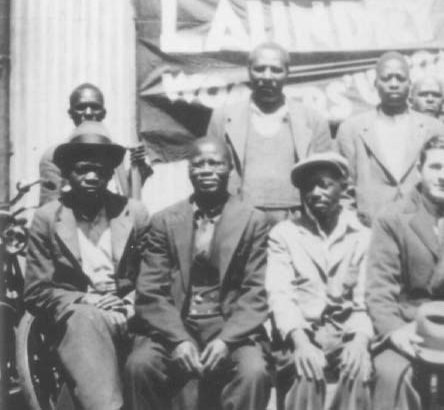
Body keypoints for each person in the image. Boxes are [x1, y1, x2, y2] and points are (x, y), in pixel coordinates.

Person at [124, 137, 272, 410]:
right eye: (198, 164)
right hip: (176, 323)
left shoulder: (253, 220)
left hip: (229, 326)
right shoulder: (164, 221)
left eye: (215, 163)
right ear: (189, 171)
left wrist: (227, 341)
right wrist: (178, 340)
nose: (206, 170)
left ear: (230, 169)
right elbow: (150, 291)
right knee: (140, 365)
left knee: (253, 372)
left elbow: (255, 292)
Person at [24, 121, 150, 410]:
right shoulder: (47, 218)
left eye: (101, 169)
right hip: (78, 317)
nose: (93, 176)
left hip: (130, 311)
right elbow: (36, 290)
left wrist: (130, 302)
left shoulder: (134, 213)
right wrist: (87, 300)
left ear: (109, 172)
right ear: (68, 173)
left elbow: (154, 274)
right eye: (83, 169)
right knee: (85, 320)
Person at [365, 135, 444, 409]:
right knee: (394, 374)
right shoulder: (393, 218)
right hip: (406, 326)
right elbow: (379, 288)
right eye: (435, 167)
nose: (443, 177)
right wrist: (395, 333)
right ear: (420, 169)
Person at [266, 152, 373, 410]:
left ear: (342, 188)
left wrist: (359, 342)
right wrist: (301, 343)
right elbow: (280, 295)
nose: (315, 192)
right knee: (305, 373)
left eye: (324, 185)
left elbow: (365, 299)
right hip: (300, 335)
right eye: (308, 187)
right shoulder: (285, 234)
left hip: (346, 335)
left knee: (357, 371)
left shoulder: (363, 236)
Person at [206, 41, 333, 224]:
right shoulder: (223, 117)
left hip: (296, 219)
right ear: (249, 70)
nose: (267, 76)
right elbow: (210, 171)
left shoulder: (313, 120)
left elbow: (326, 179)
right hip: (238, 218)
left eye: (276, 70)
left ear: (287, 72)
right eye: (259, 69)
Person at [336, 52, 444, 225]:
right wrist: (355, 228)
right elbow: (343, 188)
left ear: (409, 84)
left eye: (400, 78)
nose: (394, 84)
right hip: (371, 231)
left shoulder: (433, 128)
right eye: (387, 78)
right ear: (375, 84)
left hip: (423, 227)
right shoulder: (352, 129)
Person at [39, 83, 151, 205]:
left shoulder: (113, 150)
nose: (88, 113)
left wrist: (139, 166)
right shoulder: (54, 155)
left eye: (95, 107)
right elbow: (50, 207)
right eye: (80, 107)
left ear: (103, 113)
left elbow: (126, 195)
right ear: (70, 113)